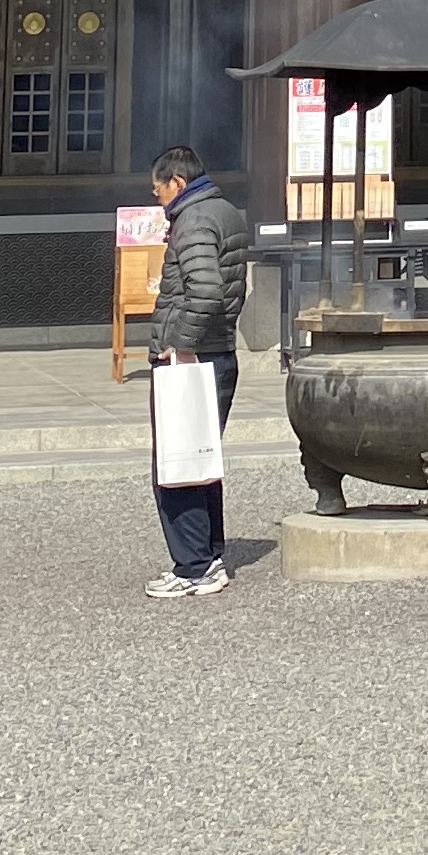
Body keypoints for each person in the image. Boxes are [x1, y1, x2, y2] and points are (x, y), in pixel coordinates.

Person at [141, 143, 251, 600]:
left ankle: (194, 565)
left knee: (178, 462)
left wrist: (179, 345)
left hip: (193, 356)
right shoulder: (226, 211)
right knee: (201, 458)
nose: (156, 198)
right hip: (219, 351)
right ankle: (208, 555)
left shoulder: (193, 221)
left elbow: (204, 289)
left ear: (177, 184)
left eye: (158, 189)